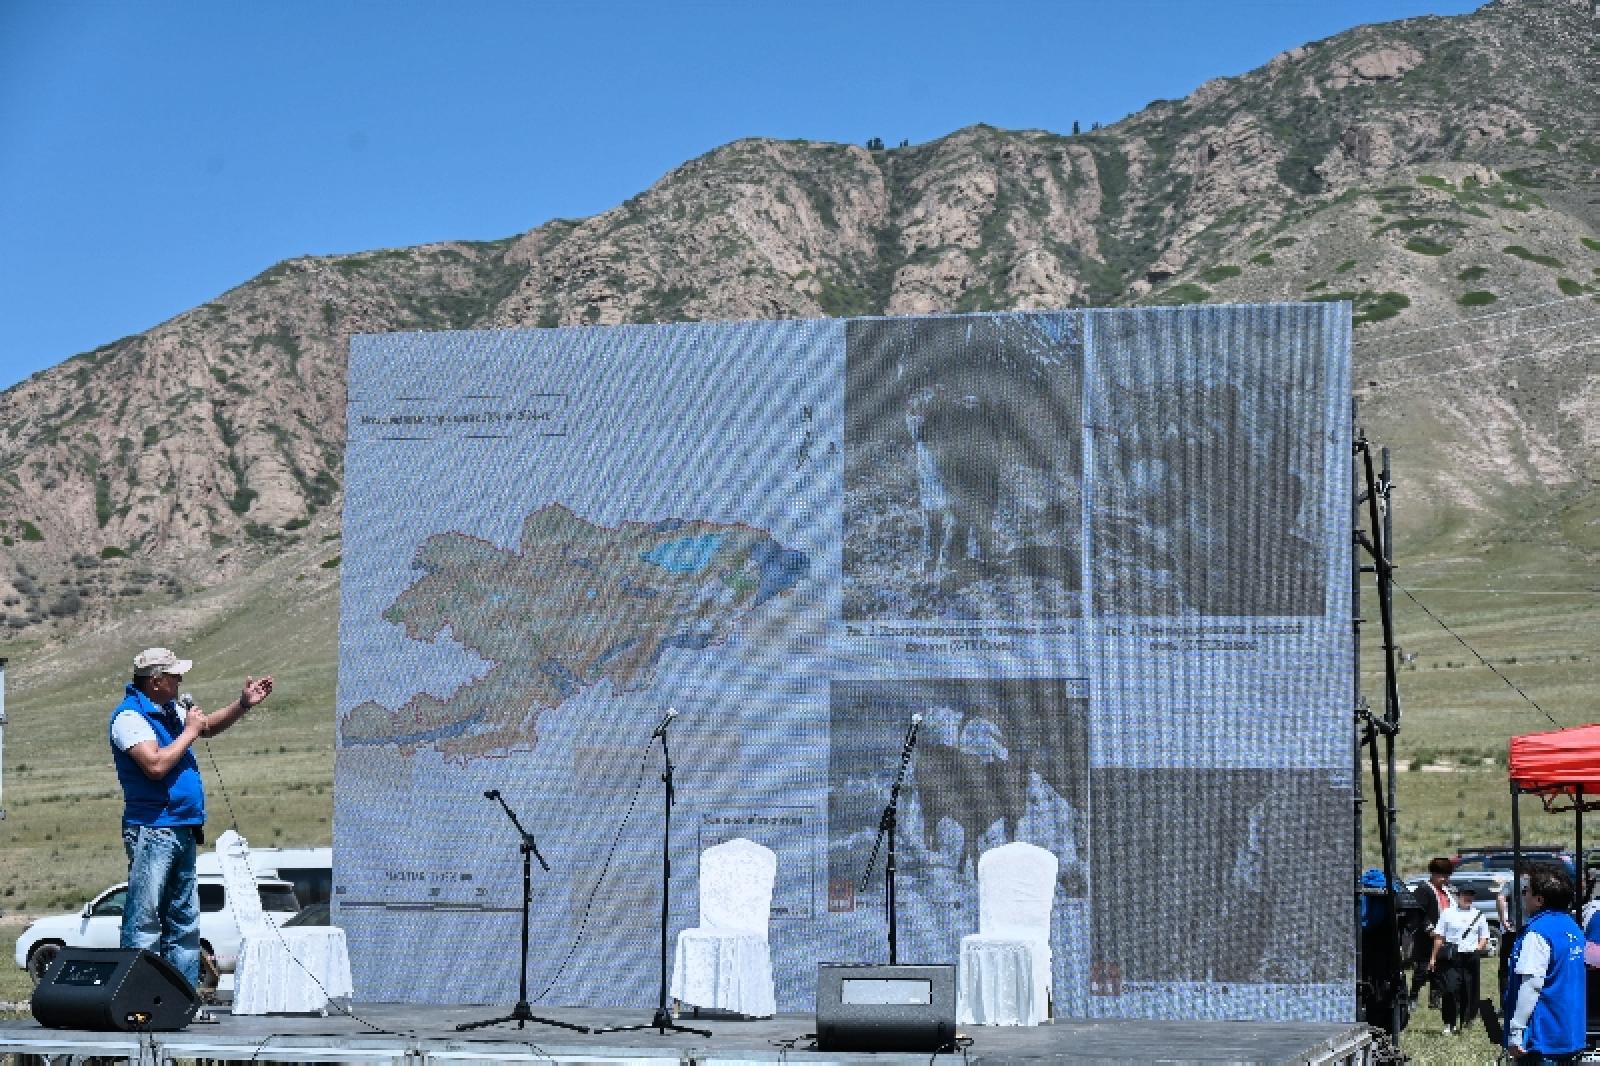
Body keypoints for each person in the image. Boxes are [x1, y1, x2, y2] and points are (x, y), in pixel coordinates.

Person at [110, 646, 273, 987]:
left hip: (182, 827)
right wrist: (189, 732)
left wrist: (242, 704)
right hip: (152, 829)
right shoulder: (130, 718)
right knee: (144, 920)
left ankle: (182, 999)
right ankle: (138, 996)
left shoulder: (171, 709)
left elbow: (206, 726)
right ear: (155, 681)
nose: (180, 681)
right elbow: (155, 765)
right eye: (174, 676)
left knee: (184, 921)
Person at [1504, 864, 1585, 1063]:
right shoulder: (1573, 928)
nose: (1523, 896)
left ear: (1539, 900)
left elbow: (1532, 984)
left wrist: (1516, 1030)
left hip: (1542, 1038)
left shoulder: (1537, 932)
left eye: (1526, 891)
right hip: (1570, 1034)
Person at [1429, 883, 1489, 1034]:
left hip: (1470, 956)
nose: (1468, 897)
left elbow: (1484, 936)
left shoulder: (1479, 915)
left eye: (1471, 895)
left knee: (1469, 990)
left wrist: (1478, 948)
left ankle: (1466, 1021)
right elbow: (1439, 936)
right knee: (1449, 989)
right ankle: (1449, 1022)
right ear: (1458, 896)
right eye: (1465, 894)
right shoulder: (1448, 913)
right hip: (1452, 956)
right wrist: (1433, 957)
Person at [1410, 857, 1456, 1006]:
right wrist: (1429, 929)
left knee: (1439, 969)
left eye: (1447, 876)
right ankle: (1413, 996)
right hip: (1427, 938)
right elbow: (1418, 912)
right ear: (1434, 874)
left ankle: (1435, 998)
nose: (1445, 879)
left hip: (1443, 937)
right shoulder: (1424, 889)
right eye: (1443, 875)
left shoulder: (1446, 891)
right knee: (1423, 970)